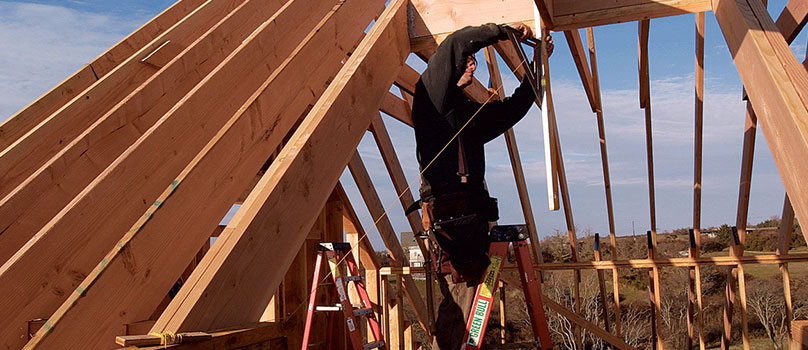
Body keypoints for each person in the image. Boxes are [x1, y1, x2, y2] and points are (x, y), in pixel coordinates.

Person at [411, 23, 552, 350]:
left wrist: (540, 65)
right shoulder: (430, 95)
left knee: (468, 292)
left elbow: (513, 110)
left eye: (475, 60)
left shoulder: (464, 112)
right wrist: (503, 31)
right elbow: (455, 42)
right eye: (469, 61)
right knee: (460, 291)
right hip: (449, 211)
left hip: (470, 213)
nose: (472, 64)